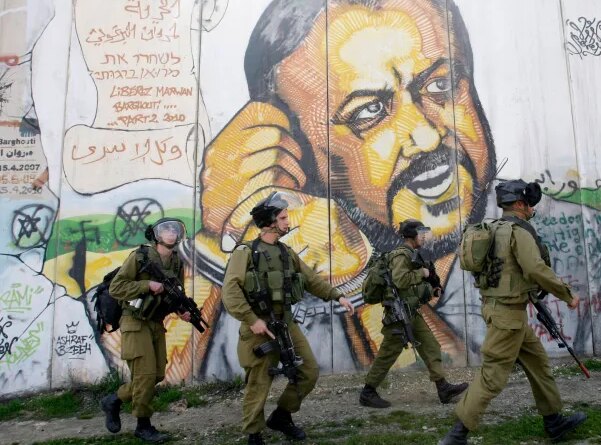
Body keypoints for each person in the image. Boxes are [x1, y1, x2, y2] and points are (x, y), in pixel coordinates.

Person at [186, 0, 497, 374]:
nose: (427, 136)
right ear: (295, 151)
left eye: (440, 85)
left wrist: (358, 283)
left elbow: (452, 368)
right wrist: (214, 242)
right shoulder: (290, 265)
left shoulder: (528, 234)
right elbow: (158, 374)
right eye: (369, 111)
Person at [440, 180, 587, 444]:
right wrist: (566, 294)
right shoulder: (519, 232)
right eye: (529, 203)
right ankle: (456, 435)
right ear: (519, 204)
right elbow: (535, 268)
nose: (532, 208)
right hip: (507, 318)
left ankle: (554, 421)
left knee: (538, 364)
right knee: (493, 375)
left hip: (506, 314)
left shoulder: (494, 228)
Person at [221, 191, 355, 445]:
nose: (287, 221)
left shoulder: (286, 252)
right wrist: (251, 319)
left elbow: (310, 279)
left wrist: (337, 296)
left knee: (308, 371)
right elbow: (230, 290)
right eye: (282, 217)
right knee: (259, 380)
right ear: (269, 222)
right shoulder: (246, 252)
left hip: (285, 322)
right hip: (258, 326)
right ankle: (253, 432)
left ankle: (282, 416)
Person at [100, 218, 192, 443]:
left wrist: (181, 310)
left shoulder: (176, 262)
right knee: (145, 375)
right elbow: (117, 287)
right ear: (156, 235)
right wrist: (146, 285)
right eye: (166, 229)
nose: (171, 233)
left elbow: (174, 294)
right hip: (134, 322)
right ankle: (143, 426)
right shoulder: (140, 257)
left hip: (155, 323)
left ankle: (114, 400)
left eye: (174, 229)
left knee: (157, 374)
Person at [359, 219, 468, 408]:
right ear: (412, 235)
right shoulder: (401, 254)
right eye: (421, 234)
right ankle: (368, 392)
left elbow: (409, 287)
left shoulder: (411, 254)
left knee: (430, 345)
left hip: (411, 312)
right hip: (399, 314)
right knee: (388, 353)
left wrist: (429, 288)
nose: (424, 237)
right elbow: (400, 280)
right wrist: (422, 274)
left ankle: (443, 388)